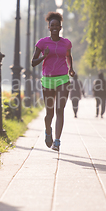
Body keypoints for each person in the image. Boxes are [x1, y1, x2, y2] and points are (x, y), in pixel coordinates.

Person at [32, 11, 75, 152]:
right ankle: (48, 130)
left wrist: (71, 69)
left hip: (63, 78)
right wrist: (44, 56)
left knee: (60, 110)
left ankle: (57, 141)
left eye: (57, 25)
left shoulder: (66, 43)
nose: (55, 27)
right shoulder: (42, 43)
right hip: (48, 80)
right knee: (49, 113)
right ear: (49, 27)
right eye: (52, 25)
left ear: (60, 27)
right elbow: (33, 62)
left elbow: (68, 56)